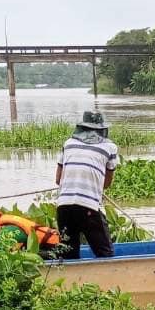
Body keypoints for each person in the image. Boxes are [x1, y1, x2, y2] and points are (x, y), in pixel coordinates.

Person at [54, 109, 118, 258]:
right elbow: (106, 183)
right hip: (88, 206)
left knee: (68, 254)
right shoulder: (109, 147)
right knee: (105, 253)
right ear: (102, 130)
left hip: (63, 206)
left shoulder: (68, 144)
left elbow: (58, 180)